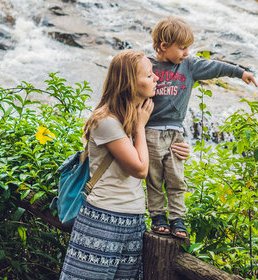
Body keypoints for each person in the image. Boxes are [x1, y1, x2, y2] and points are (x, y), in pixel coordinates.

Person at [59, 50, 189, 280]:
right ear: (130, 82)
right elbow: (139, 169)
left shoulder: (135, 117)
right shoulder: (106, 121)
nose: (157, 79)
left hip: (133, 220)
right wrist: (140, 127)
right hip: (102, 220)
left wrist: (178, 151)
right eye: (149, 76)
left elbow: (151, 154)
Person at [146, 16, 257, 239]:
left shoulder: (189, 66)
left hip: (175, 131)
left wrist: (240, 72)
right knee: (154, 177)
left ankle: (177, 218)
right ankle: (157, 216)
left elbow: (215, 66)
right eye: (183, 48)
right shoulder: (147, 65)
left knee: (176, 178)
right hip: (150, 131)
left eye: (189, 47)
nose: (187, 52)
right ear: (163, 46)